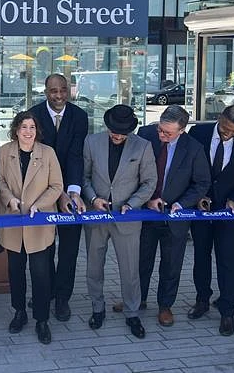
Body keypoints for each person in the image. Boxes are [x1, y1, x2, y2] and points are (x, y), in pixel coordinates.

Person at [82, 105, 156, 339]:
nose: (117, 135)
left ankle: (132, 313)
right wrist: (93, 198)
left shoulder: (143, 146)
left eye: (122, 132)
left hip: (127, 217)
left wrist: (132, 203)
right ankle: (97, 308)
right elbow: (83, 177)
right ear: (107, 126)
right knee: (94, 266)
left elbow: (149, 182)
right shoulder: (91, 142)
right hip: (97, 216)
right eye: (114, 130)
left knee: (130, 269)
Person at [135, 105, 211, 327]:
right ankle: (137, 299)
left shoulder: (194, 148)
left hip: (175, 216)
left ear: (182, 130)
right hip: (147, 212)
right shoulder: (146, 135)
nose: (161, 135)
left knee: (171, 263)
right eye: (160, 129)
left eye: (167, 133)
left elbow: (202, 183)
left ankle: (165, 305)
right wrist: (145, 199)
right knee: (141, 260)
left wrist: (181, 204)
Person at [0, 111, 63, 345]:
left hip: (39, 225)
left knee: (41, 274)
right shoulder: (5, 152)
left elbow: (56, 186)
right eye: (23, 127)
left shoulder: (48, 153)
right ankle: (19, 312)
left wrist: (39, 205)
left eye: (32, 127)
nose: (28, 131)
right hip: (13, 223)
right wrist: (8, 199)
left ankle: (42, 320)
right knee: (15, 272)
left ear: (37, 131)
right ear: (16, 129)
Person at [187, 105, 234, 336]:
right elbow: (189, 169)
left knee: (228, 260)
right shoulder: (199, 134)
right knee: (201, 256)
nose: (228, 135)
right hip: (202, 209)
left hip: (230, 212)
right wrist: (197, 197)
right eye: (225, 129)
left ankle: (227, 311)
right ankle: (202, 300)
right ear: (219, 119)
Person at [28, 74, 88, 321]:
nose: (59, 95)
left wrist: (72, 192)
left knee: (69, 249)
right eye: (54, 91)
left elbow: (76, 156)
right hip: (42, 193)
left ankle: (62, 297)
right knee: (44, 247)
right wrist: (56, 193)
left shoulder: (80, 116)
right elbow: (37, 159)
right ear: (45, 92)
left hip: (70, 191)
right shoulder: (33, 116)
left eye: (63, 90)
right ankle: (46, 292)